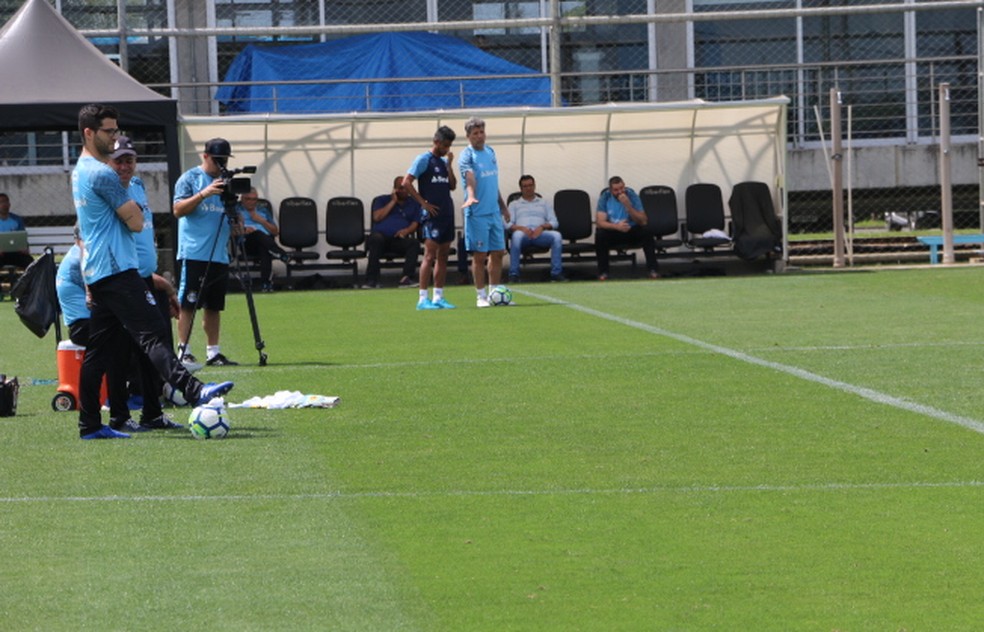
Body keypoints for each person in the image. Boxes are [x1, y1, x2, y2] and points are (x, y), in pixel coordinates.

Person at [71, 103, 232, 439]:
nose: (114, 138)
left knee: (99, 352)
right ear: (89, 132)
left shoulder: (81, 169)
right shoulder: (101, 173)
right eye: (109, 132)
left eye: (116, 131)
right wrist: (131, 216)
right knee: (153, 332)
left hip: (103, 271)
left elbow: (129, 219)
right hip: (116, 270)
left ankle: (90, 425)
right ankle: (195, 391)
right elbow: (135, 221)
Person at [109, 136, 184, 430]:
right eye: (119, 160)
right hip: (124, 280)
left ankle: (152, 413)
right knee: (122, 350)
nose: (125, 166)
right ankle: (120, 415)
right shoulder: (106, 189)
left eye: (129, 160)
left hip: (145, 279)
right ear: (108, 162)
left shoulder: (138, 186)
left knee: (154, 345)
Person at [173, 137, 239, 367]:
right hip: (193, 252)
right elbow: (178, 210)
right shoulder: (190, 178)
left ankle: (213, 352)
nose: (221, 165)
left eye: (224, 160)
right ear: (206, 156)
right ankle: (184, 349)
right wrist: (204, 193)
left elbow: (233, 216)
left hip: (219, 253)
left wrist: (235, 213)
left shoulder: (226, 182)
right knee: (189, 303)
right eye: (217, 160)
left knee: (214, 305)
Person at [404, 126, 458, 310]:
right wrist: (423, 203)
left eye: (449, 146)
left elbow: (452, 186)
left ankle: (438, 297)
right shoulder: (423, 159)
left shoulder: (443, 162)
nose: (447, 149)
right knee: (429, 255)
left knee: (443, 256)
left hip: (446, 213)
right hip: (432, 216)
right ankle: (422, 298)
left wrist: (449, 165)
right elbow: (406, 182)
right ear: (436, 142)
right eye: (445, 145)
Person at [459, 117, 510, 308]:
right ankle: (480, 296)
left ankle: (494, 293)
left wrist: (503, 206)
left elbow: (492, 183)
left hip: (494, 212)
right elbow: (469, 178)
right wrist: (470, 196)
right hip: (477, 213)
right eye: (475, 134)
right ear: (468, 136)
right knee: (479, 255)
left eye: (482, 132)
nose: (480, 136)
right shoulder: (467, 156)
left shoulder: (490, 152)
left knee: (498, 253)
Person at [595, 175, 659, 281]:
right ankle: (603, 272)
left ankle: (653, 270)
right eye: (616, 190)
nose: (620, 192)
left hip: (631, 230)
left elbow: (643, 220)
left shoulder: (632, 195)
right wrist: (616, 226)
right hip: (614, 231)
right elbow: (600, 222)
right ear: (610, 190)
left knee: (647, 231)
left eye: (621, 188)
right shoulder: (605, 197)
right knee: (600, 234)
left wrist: (628, 206)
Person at [364, 176, 422, 289]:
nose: (404, 191)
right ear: (395, 189)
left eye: (407, 188)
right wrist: (393, 201)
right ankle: (371, 280)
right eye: (401, 188)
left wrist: (407, 231)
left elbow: (415, 223)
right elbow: (377, 217)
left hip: (398, 239)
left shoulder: (414, 204)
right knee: (376, 240)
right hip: (380, 238)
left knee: (413, 243)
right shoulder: (381, 200)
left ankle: (407, 278)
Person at [506, 174, 564, 283]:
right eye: (525, 186)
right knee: (516, 236)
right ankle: (514, 274)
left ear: (534, 186)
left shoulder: (544, 203)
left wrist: (542, 227)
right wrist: (521, 228)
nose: (528, 188)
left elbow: (554, 222)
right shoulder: (514, 204)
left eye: (530, 185)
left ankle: (556, 273)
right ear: (521, 188)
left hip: (540, 234)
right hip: (522, 234)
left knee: (557, 236)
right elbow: (507, 224)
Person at [237, 187, 290, 292]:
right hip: (247, 242)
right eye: (248, 199)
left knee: (264, 247)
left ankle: (265, 283)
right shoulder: (237, 210)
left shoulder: (262, 210)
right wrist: (243, 229)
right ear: (242, 199)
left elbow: (275, 232)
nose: (251, 202)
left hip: (266, 242)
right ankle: (280, 253)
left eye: (254, 199)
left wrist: (261, 220)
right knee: (257, 234)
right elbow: (229, 228)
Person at [0, 193, 34, 269]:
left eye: (6, 202)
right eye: (1, 202)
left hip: (16, 253)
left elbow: (21, 237)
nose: (4, 204)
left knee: (30, 262)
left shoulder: (17, 219)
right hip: (1, 255)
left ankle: (26, 281)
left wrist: (25, 247)